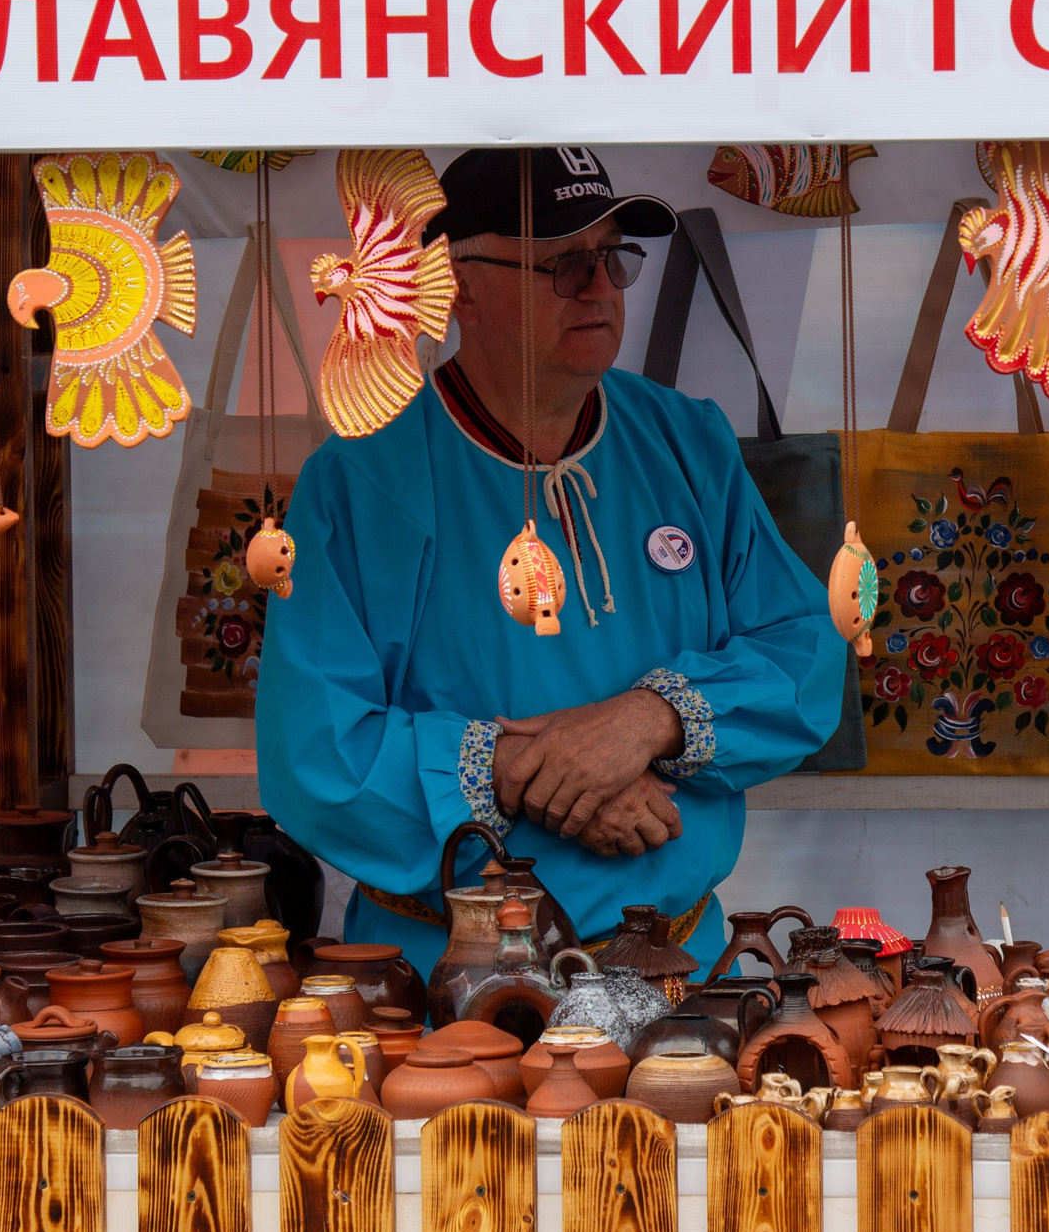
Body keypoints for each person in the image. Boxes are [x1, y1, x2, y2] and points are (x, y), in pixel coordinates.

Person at [257, 146, 847, 974]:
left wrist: (648, 720)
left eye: (613, 258)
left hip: (677, 971)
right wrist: (527, 773)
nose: (600, 288)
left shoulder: (687, 439)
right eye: (564, 264)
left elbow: (804, 648)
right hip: (444, 987)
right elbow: (315, 747)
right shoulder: (359, 479)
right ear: (458, 286)